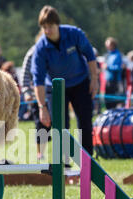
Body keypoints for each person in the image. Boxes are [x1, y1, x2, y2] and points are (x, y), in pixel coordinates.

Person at [31, 5, 98, 156]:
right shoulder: (41, 48)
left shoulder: (74, 34)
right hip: (55, 88)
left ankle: (88, 162)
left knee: (85, 124)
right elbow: (38, 79)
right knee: (61, 127)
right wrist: (42, 107)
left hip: (80, 83)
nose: (48, 31)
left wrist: (94, 79)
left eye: (51, 26)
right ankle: (64, 164)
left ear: (57, 24)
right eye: (44, 27)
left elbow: (90, 55)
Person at [103, 37, 123, 109]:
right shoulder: (108, 55)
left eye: (108, 45)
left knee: (113, 101)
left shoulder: (117, 55)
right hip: (108, 80)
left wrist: (108, 67)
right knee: (107, 100)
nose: (107, 47)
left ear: (112, 45)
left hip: (114, 81)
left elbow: (119, 68)